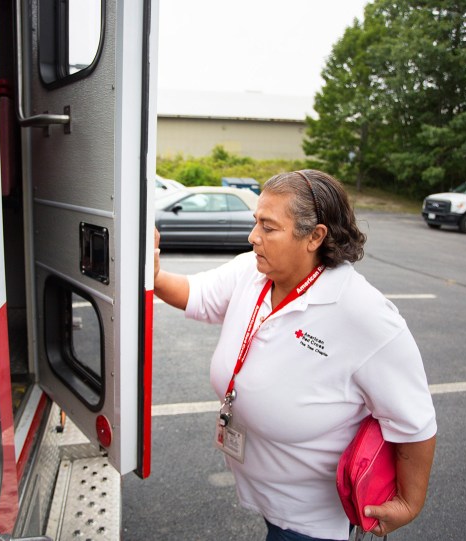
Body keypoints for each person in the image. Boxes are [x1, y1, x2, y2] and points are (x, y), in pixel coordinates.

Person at [153, 170, 436, 541]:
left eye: (268, 228)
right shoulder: (252, 273)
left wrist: (410, 503)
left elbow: (413, 419)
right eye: (256, 222)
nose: (253, 237)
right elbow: (197, 294)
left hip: (309, 521)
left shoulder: (363, 313)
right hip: (263, 495)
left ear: (315, 236)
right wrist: (152, 273)